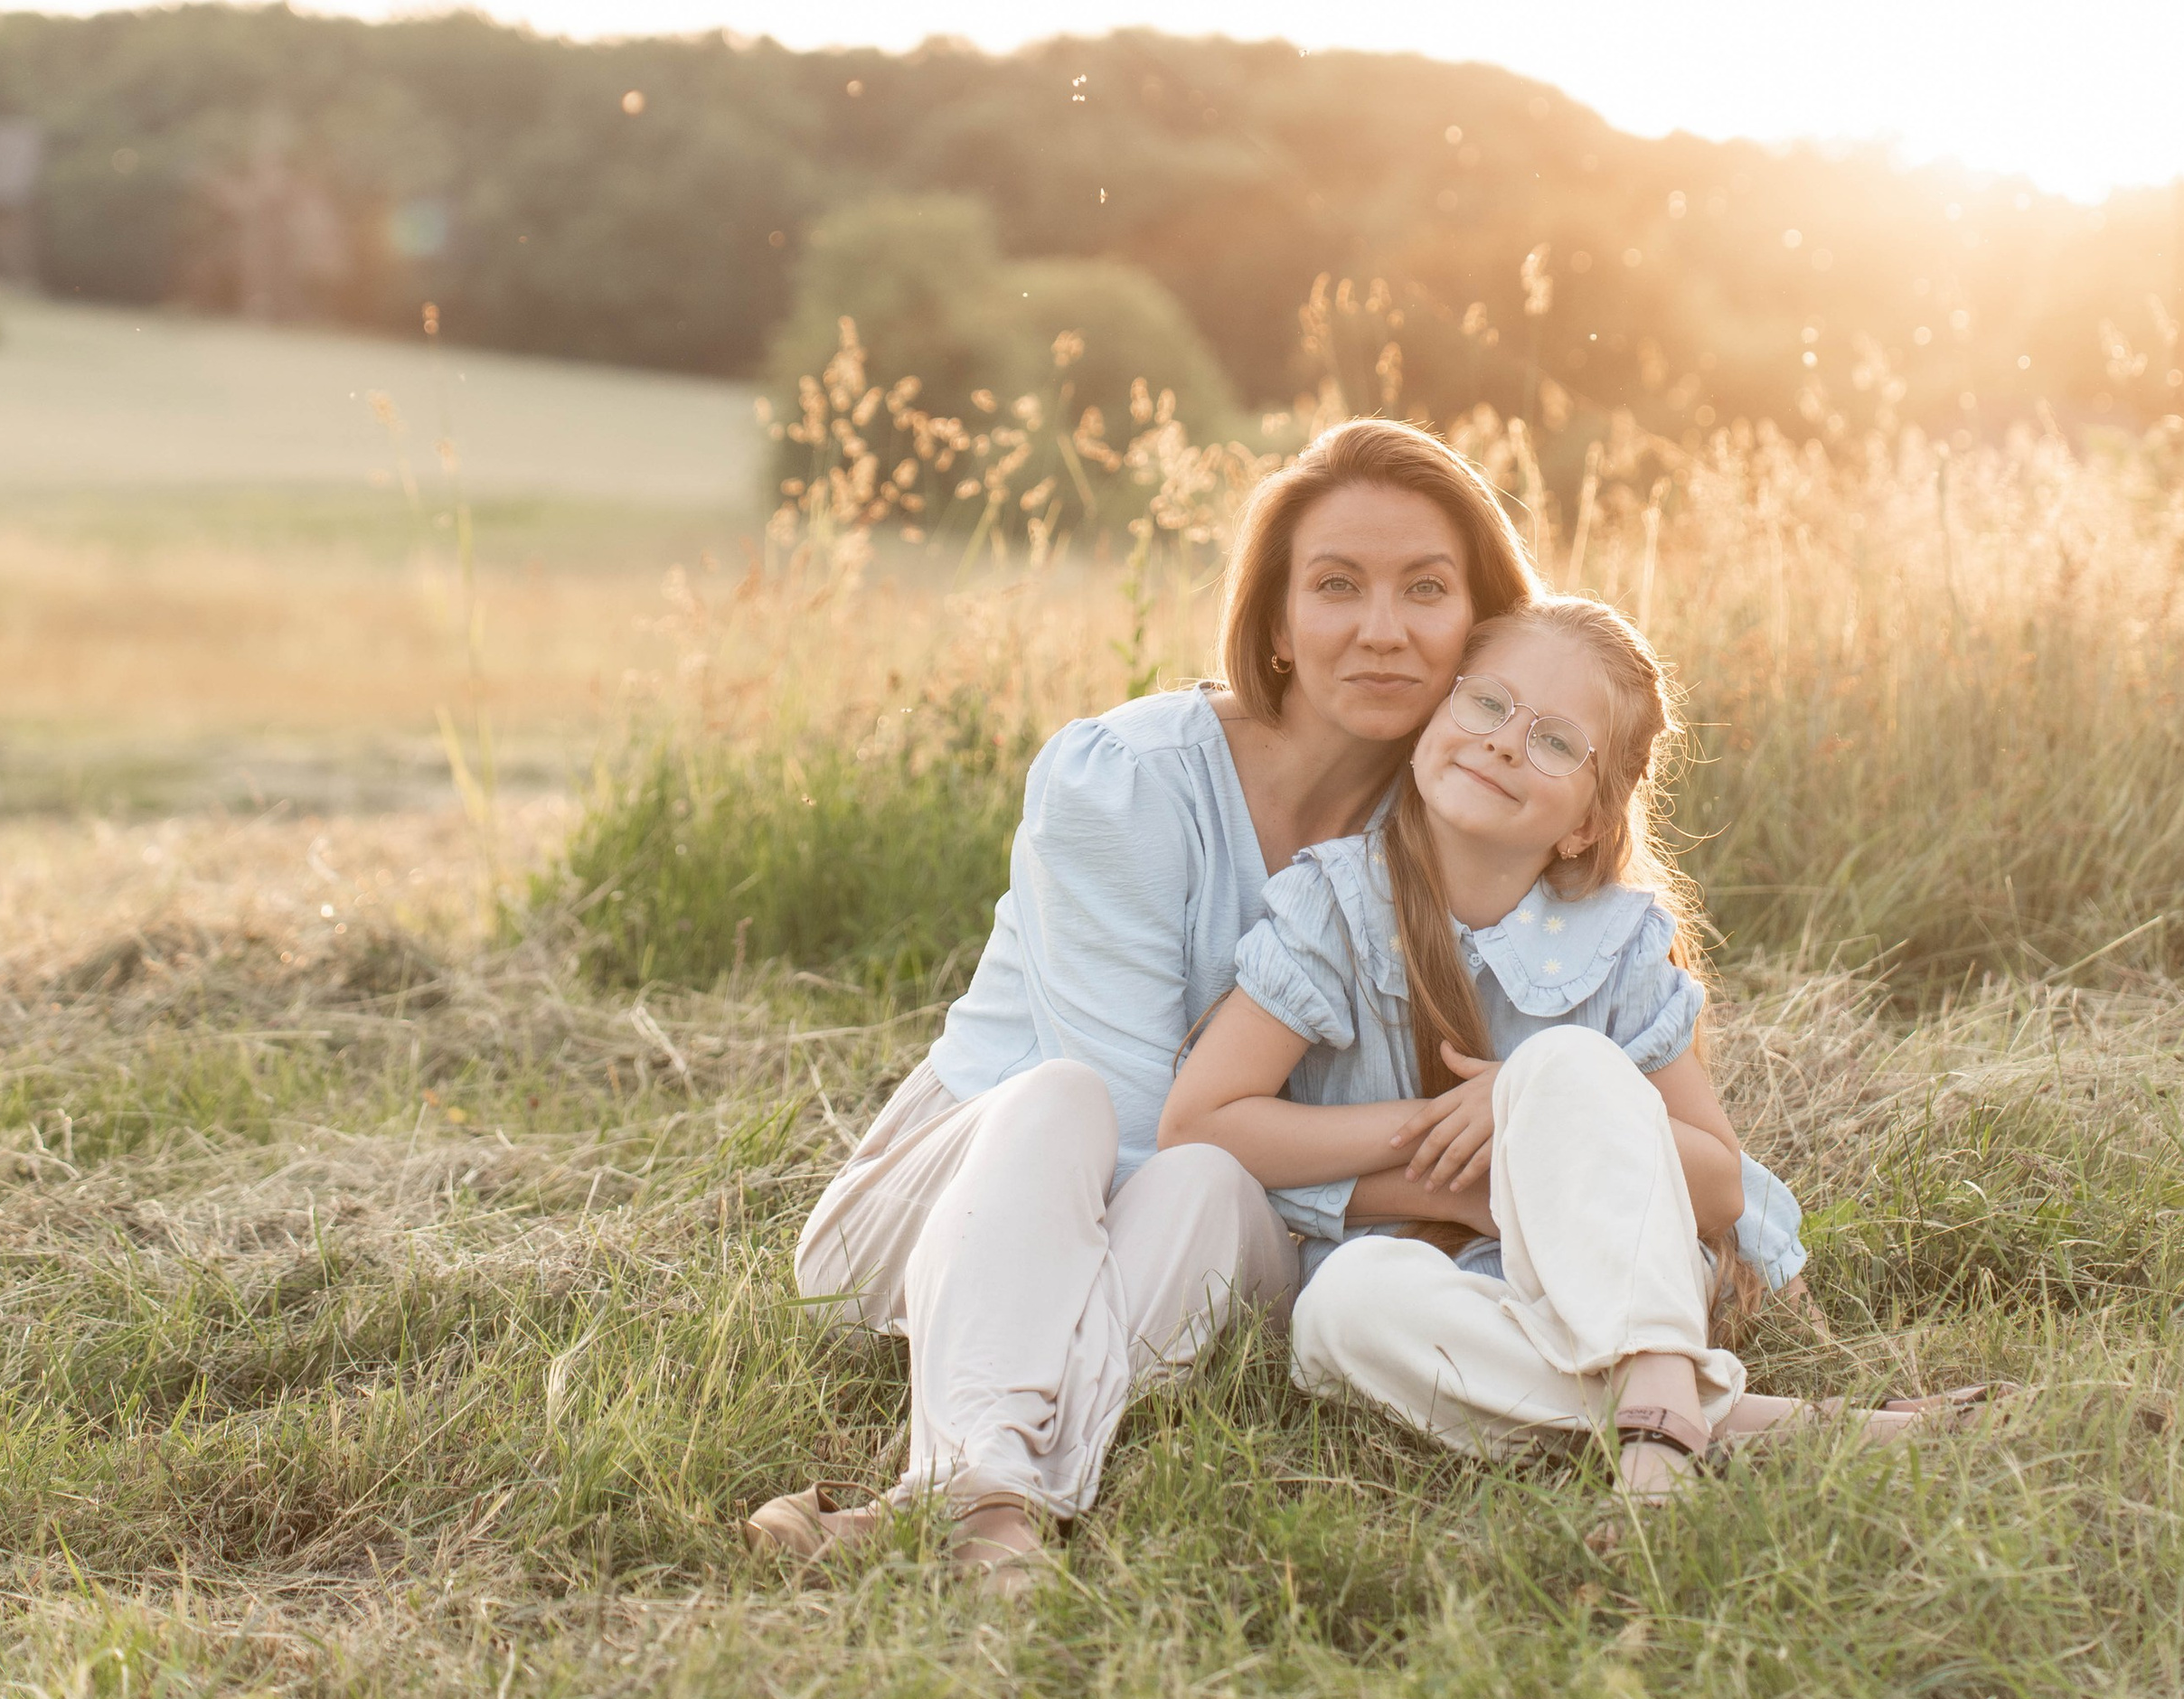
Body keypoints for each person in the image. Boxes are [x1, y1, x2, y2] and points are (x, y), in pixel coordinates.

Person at [747, 415, 1537, 1585]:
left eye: (1426, 588)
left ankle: (971, 1502)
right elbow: (1124, 1139)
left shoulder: (1452, 829)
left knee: (1212, 1179)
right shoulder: (1126, 783)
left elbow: (1222, 1161)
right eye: (1336, 586)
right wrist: (1440, 1181)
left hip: (1208, 1222)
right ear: (1276, 622)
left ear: (1479, 626)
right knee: (1064, 1098)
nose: (1383, 628)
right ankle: (980, 1489)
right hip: (965, 1209)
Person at [1160, 591, 1978, 1507]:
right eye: (1486, 703)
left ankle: (1658, 1425)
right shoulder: (1332, 906)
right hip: (1437, 1292)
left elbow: (1717, 1183)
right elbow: (1202, 1121)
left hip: (1627, 1278)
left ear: (1586, 822)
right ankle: (1766, 1427)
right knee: (1339, 1311)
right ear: (1431, 723)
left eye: (1554, 741)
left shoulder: (1613, 941)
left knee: (1564, 1065)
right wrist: (1441, 1150)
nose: (1506, 743)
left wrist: (1532, 1108)